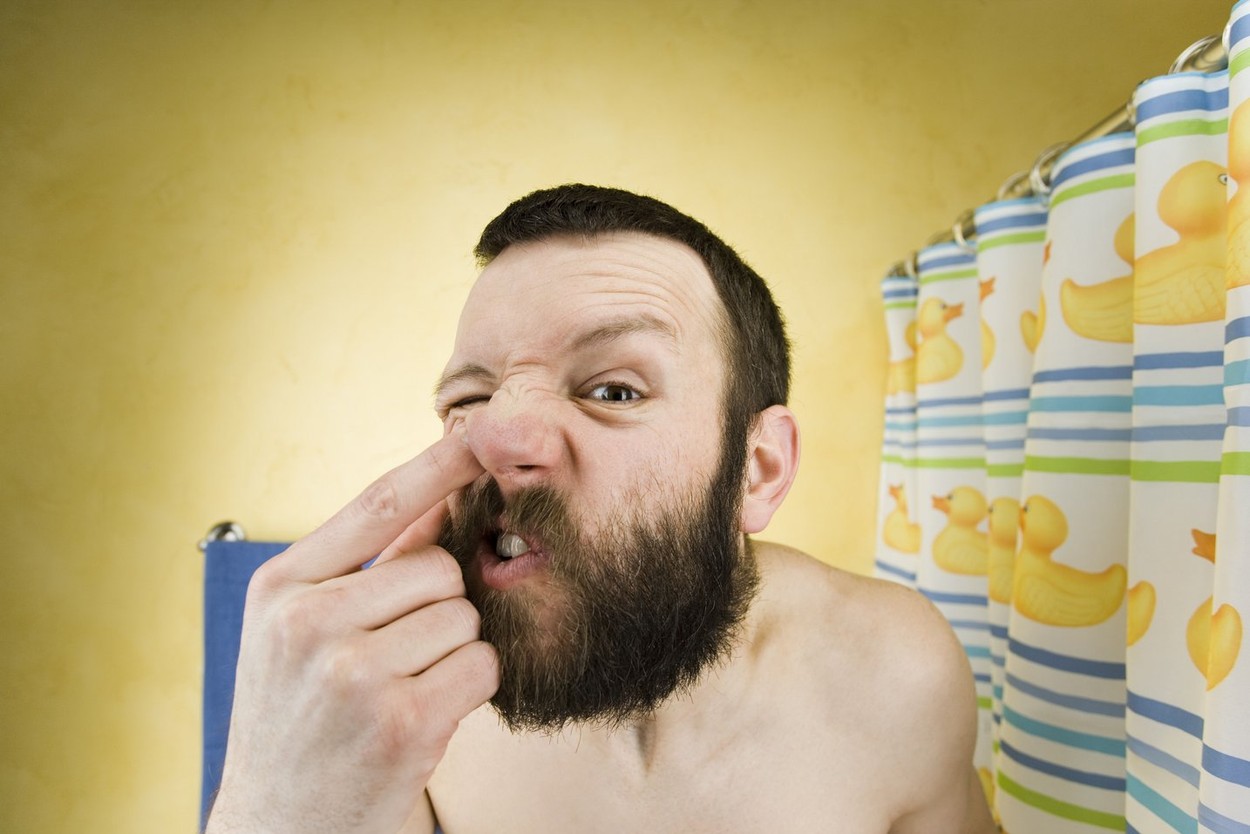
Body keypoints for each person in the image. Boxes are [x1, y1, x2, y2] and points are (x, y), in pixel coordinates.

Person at [206, 184, 997, 834]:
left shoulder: (898, 674)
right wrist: (267, 806)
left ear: (758, 470)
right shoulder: (388, 704)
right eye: (471, 398)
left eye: (614, 390)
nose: (500, 438)